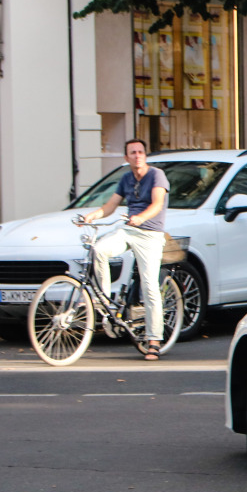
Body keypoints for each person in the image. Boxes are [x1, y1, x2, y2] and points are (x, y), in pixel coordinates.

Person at [80, 138, 170, 360]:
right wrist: (91, 216)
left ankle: (154, 340)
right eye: (133, 152)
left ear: (145, 156)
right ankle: (105, 302)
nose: (137, 155)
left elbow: (157, 204)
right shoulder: (126, 178)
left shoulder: (157, 175)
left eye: (140, 152)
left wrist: (141, 217)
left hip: (150, 233)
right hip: (129, 230)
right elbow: (110, 206)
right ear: (126, 158)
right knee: (99, 249)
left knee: (149, 286)